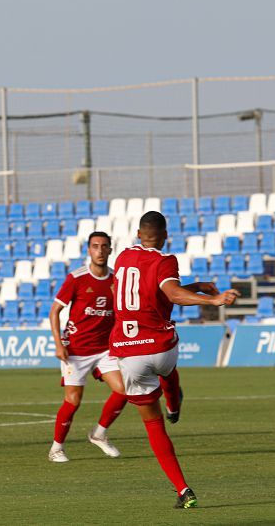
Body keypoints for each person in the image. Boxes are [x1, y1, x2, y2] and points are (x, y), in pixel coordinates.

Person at [111, 211, 239, 509]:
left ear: (138, 234)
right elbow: (170, 292)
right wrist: (212, 298)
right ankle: (174, 403)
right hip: (161, 346)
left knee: (153, 425)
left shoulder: (123, 259)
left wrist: (194, 288)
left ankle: (183, 490)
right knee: (167, 369)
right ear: (165, 234)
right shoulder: (166, 260)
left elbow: (149, 292)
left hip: (130, 353)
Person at [47, 231, 130, 463]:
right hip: (77, 348)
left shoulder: (116, 280)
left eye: (104, 246)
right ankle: (56, 448)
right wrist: (58, 344)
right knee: (73, 401)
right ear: (89, 250)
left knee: (123, 390)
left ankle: (99, 434)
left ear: (110, 250)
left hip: (105, 349)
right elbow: (54, 311)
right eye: (95, 246)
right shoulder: (77, 278)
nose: (100, 250)